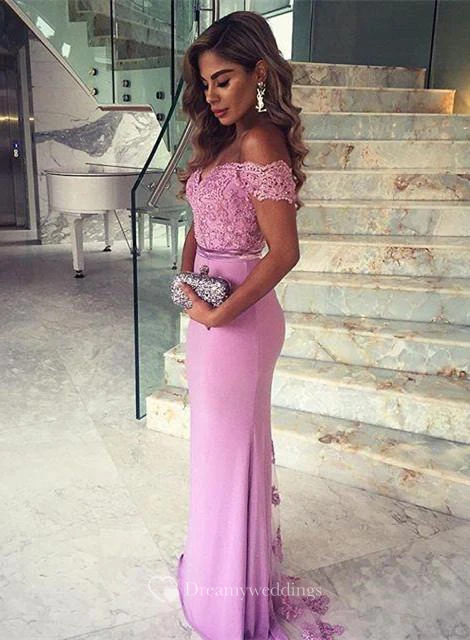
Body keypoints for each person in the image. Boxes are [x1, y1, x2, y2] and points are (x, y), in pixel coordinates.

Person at [174, 11, 348, 640]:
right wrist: (186, 279)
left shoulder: (259, 142)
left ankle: (231, 602)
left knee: (232, 455)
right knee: (213, 452)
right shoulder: (219, 141)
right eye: (206, 84)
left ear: (260, 73)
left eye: (224, 80)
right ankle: (217, 572)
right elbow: (198, 224)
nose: (213, 96)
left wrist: (218, 312)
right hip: (208, 311)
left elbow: (284, 252)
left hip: (240, 321)